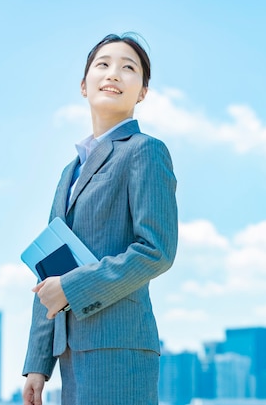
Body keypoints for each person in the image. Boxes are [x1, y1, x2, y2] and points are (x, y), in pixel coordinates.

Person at [22, 33, 178, 405]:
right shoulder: (68, 173)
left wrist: (72, 288)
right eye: (103, 65)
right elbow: (50, 273)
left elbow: (156, 251)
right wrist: (37, 364)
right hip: (70, 359)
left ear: (142, 92)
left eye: (129, 68)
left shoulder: (145, 151)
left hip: (120, 355)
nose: (114, 74)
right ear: (83, 84)